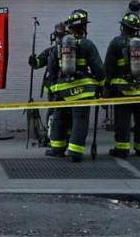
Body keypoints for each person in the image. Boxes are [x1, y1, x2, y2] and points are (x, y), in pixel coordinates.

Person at [44, 9, 105, 162]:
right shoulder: (87, 45)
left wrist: (51, 87)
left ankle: (57, 149)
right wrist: (102, 84)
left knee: (59, 118)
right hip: (82, 92)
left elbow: (51, 69)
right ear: (84, 27)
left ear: (70, 27)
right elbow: (98, 68)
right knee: (80, 119)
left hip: (62, 90)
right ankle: (75, 151)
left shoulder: (59, 45)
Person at [104, 12, 140, 158]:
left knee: (123, 120)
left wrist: (106, 87)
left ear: (123, 27)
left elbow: (108, 68)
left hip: (122, 91)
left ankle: (121, 149)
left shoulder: (116, 43)